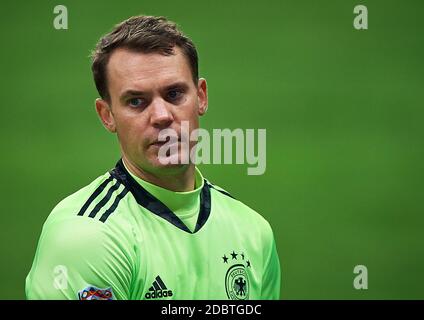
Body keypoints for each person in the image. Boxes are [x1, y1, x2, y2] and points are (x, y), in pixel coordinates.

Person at [25, 15, 281, 300]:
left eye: (174, 94)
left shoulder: (253, 232)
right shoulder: (87, 237)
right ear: (107, 116)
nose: (161, 116)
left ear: (201, 97)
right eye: (136, 101)